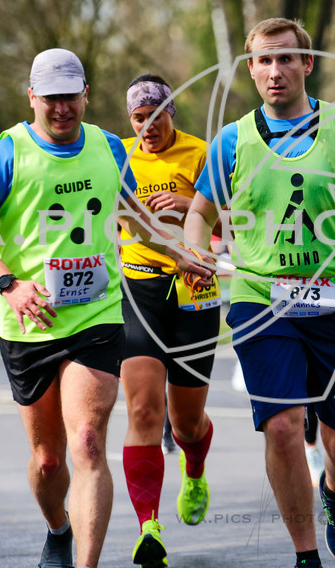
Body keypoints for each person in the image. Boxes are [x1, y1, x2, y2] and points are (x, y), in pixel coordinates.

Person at [180, 18, 335, 568]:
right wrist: (197, 253)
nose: (275, 71)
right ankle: (304, 555)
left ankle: (334, 492)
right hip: (261, 299)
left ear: (306, 64)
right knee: (283, 425)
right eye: (263, 61)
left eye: (286, 59)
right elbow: (199, 213)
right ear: (251, 70)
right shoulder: (233, 140)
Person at [0, 48, 197, 568]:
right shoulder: (8, 153)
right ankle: (57, 528)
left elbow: (139, 221)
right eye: (51, 99)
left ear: (86, 95)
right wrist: (9, 284)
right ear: (32, 98)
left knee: (87, 441)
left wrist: (184, 257)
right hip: (29, 321)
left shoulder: (110, 148)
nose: (62, 109)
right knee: (47, 461)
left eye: (71, 97)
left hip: (97, 315)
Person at [117, 74, 220, 567]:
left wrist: (191, 204)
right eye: (139, 119)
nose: (148, 128)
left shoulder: (203, 153)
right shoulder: (118, 157)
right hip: (139, 287)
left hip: (195, 288)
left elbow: (244, 216)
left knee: (186, 422)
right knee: (142, 412)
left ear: (171, 113)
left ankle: (194, 468)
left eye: (156, 117)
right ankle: (148, 527)